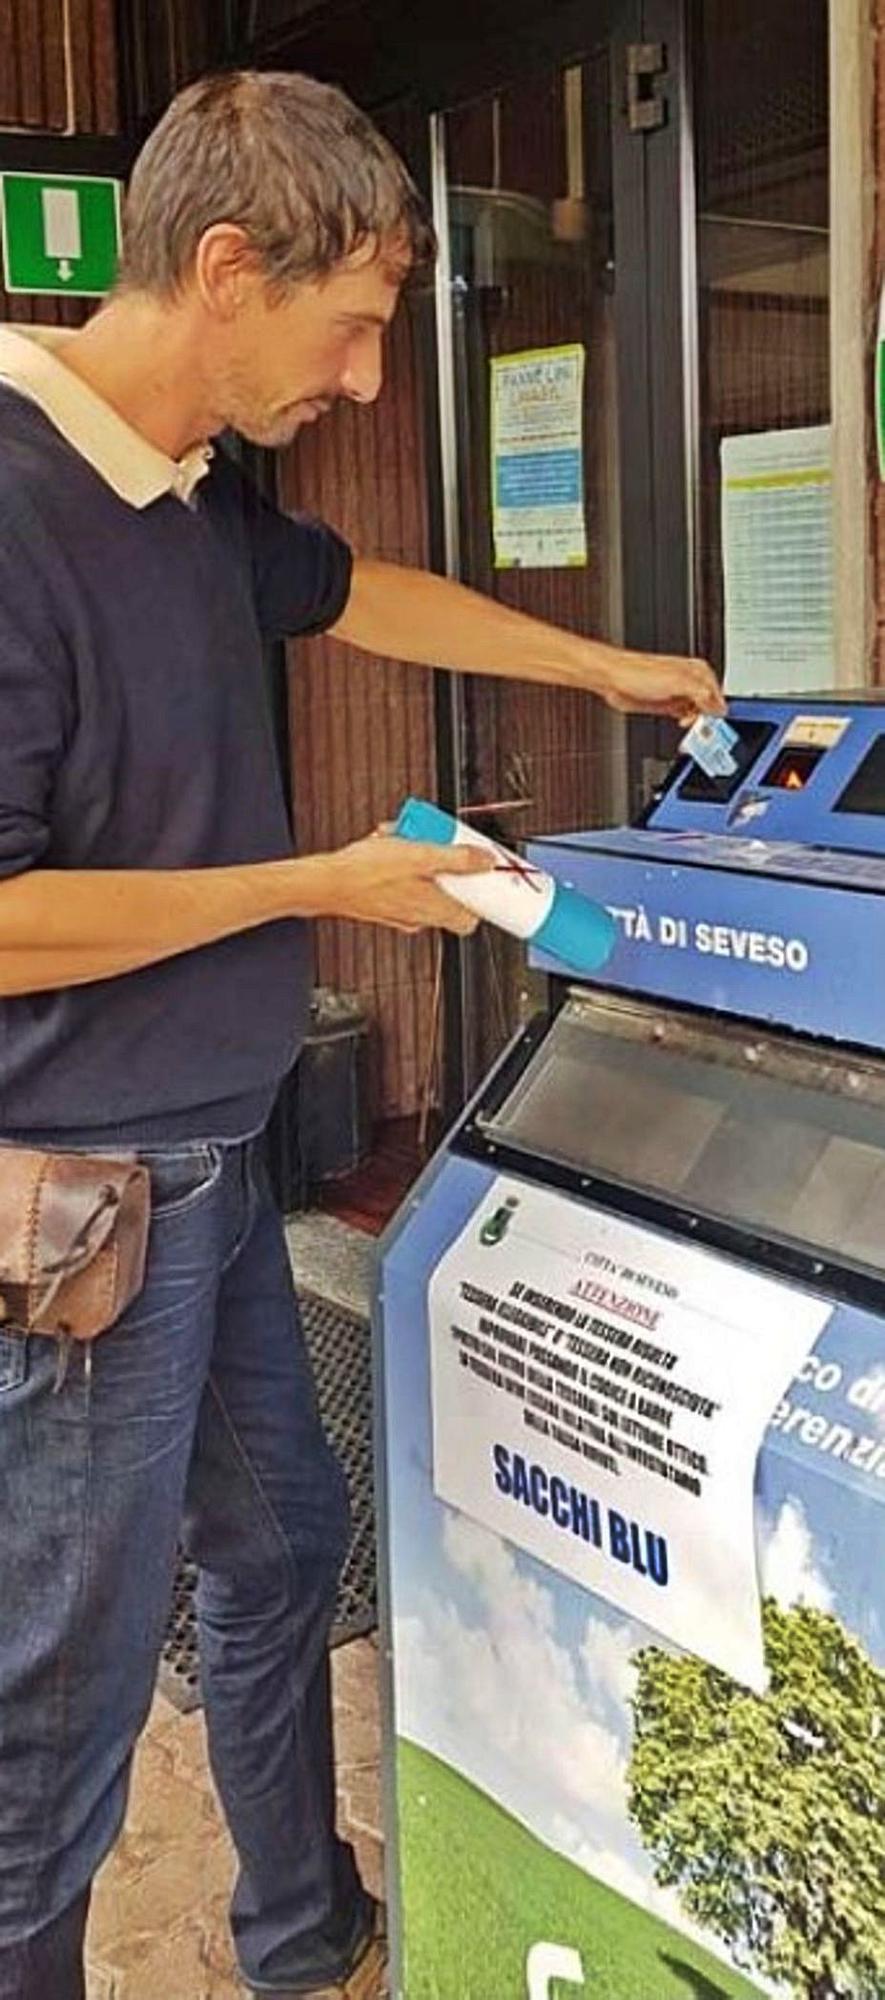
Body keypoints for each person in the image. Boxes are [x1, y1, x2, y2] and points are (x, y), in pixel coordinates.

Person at [0, 68, 724, 2000]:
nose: (371, 379)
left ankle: (301, 1930)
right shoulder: (10, 504)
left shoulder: (186, 496)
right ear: (226, 270)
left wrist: (600, 660)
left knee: (272, 1551)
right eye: (358, 325)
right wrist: (315, 882)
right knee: (50, 1732)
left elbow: (354, 593)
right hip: (85, 1214)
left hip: (218, 1164)